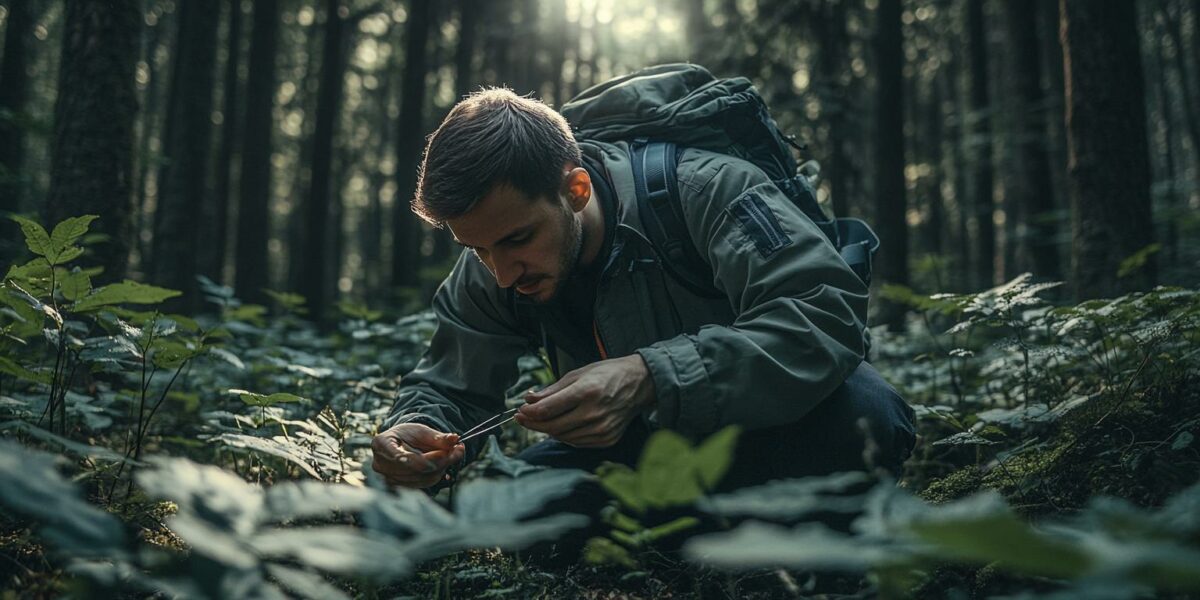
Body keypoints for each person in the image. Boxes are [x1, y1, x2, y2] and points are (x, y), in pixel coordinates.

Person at [370, 86, 915, 494]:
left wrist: (649, 376)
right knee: (516, 503)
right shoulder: (493, 262)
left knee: (869, 416)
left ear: (575, 189)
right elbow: (452, 386)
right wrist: (418, 433)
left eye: (517, 239)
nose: (502, 272)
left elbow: (824, 314)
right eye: (478, 249)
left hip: (773, 424)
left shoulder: (708, 190)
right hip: (633, 452)